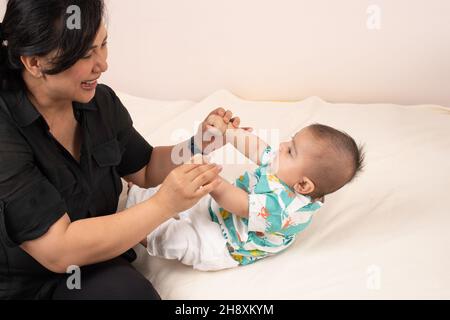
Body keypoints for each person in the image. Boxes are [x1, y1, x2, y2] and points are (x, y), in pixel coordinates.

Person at [0, 0, 242, 299]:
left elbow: (144, 168)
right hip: (28, 282)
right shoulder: (6, 130)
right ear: (34, 62)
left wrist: (198, 143)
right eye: (87, 54)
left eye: (103, 45)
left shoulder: (99, 102)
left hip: (96, 260)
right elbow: (58, 252)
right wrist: (164, 205)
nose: (102, 64)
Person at [127, 117, 365, 270]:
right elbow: (259, 148)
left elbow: (242, 205)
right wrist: (229, 132)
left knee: (186, 242)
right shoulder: (289, 169)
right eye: (290, 142)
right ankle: (135, 200)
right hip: (219, 211)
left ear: (303, 186)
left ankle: (145, 235)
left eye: (291, 150)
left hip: (229, 243)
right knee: (182, 197)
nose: (282, 146)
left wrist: (216, 183)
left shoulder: (284, 211)